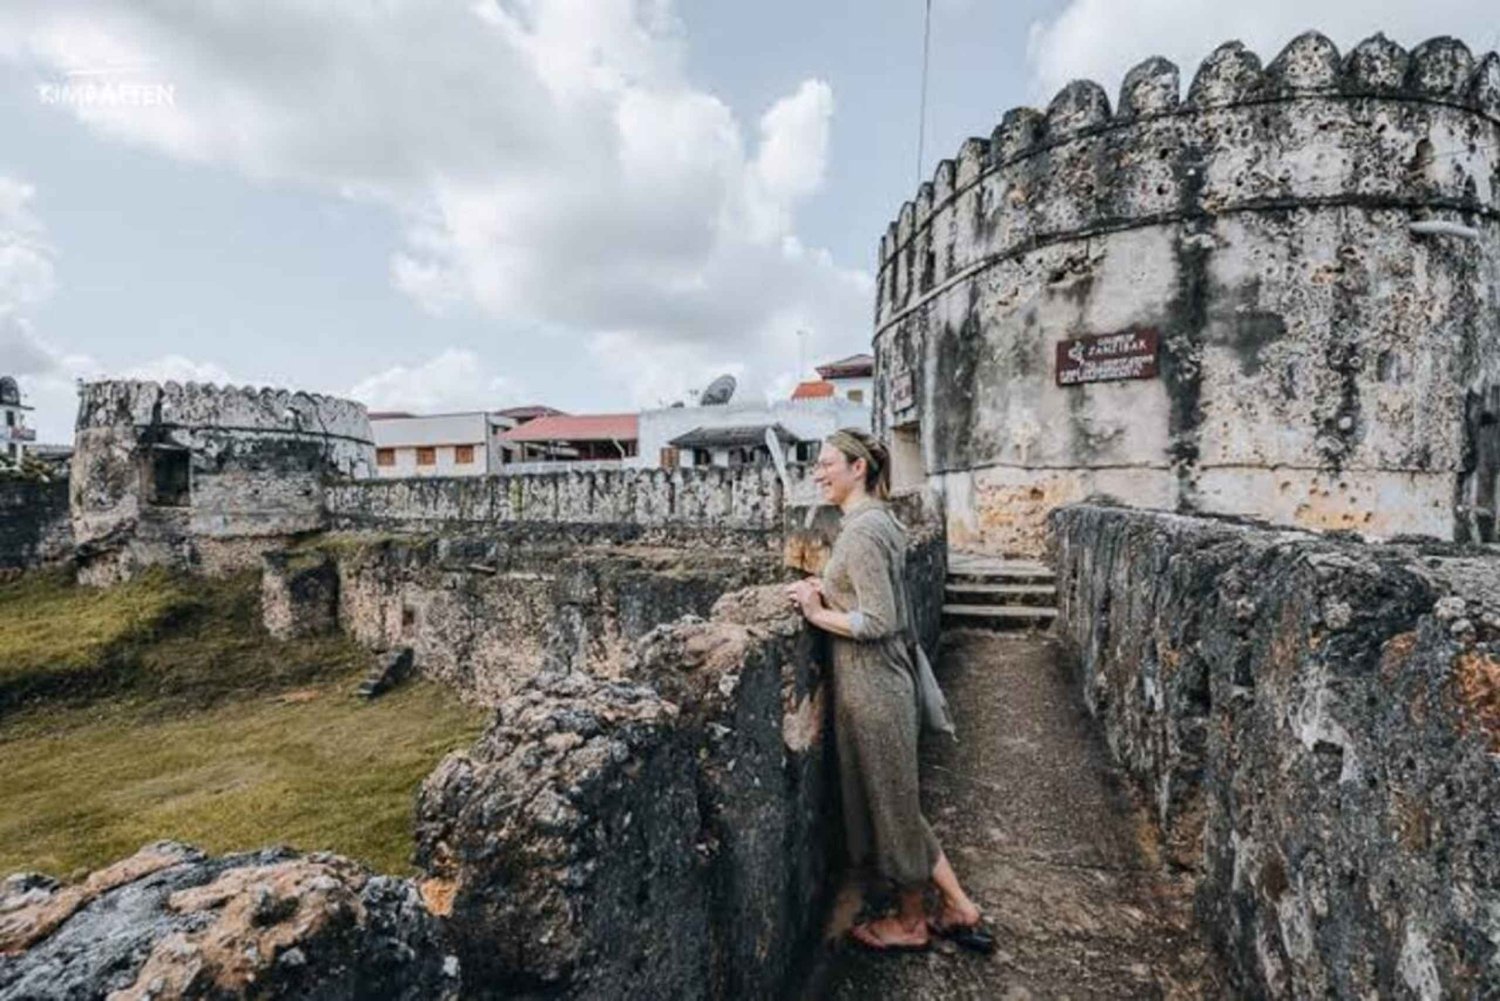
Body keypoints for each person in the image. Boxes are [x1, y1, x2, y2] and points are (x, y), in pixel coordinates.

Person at [786, 427, 993, 954]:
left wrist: (815, 612)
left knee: (895, 811)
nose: (817, 472)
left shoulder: (862, 532)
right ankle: (959, 906)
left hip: (876, 689)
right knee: (898, 804)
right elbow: (867, 592)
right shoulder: (877, 521)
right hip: (880, 683)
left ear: (858, 468)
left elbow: (879, 619)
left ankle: (911, 921)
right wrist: (828, 588)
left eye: (826, 463)